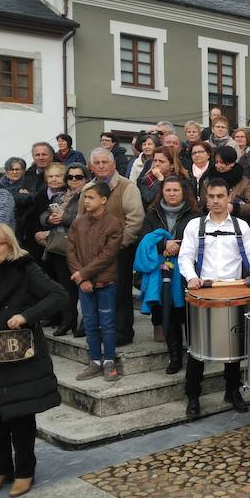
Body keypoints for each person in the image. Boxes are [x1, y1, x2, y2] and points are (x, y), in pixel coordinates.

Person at [0, 223, 67, 498]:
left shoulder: (25, 269)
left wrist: (27, 316)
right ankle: (0, 470)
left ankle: (24, 471)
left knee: (20, 418)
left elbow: (59, 295)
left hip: (17, 357)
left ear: (9, 245)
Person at [178, 178, 250, 417]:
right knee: (197, 349)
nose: (215, 201)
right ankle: (193, 396)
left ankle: (232, 390)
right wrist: (192, 277)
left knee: (232, 347)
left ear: (229, 197)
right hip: (203, 294)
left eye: (220, 196)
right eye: (211, 196)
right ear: (206, 198)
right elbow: (185, 257)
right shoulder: (195, 226)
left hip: (234, 292)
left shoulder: (241, 226)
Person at [137, 176, 200, 374]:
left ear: (183, 193)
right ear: (161, 192)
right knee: (168, 312)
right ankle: (175, 357)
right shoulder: (152, 213)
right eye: (168, 190)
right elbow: (143, 238)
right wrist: (163, 245)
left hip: (187, 270)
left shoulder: (195, 214)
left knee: (189, 314)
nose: (172, 194)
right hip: (161, 270)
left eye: (176, 190)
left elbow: (200, 240)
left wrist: (178, 247)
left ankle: (194, 356)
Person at [84, 148, 145, 347]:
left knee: (119, 293)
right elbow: (80, 220)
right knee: (96, 292)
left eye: (105, 162)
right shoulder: (87, 188)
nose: (101, 166)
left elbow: (135, 219)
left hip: (119, 251)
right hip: (93, 253)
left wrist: (117, 245)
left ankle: (123, 331)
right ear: (91, 166)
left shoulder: (127, 187)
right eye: (97, 163)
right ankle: (101, 329)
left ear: (113, 164)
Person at [68, 183, 124, 381]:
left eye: (91, 197)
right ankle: (95, 362)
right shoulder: (78, 222)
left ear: (104, 200)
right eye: (85, 197)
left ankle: (109, 361)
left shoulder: (114, 224)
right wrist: (80, 276)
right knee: (90, 324)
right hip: (84, 284)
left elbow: (107, 256)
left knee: (107, 324)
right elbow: (71, 250)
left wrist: (83, 274)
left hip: (105, 282)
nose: (87, 201)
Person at [39, 163, 88, 337]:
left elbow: (88, 220)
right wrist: (50, 219)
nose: (74, 180)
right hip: (58, 247)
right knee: (64, 287)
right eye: (70, 177)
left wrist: (64, 218)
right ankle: (68, 320)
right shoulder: (60, 195)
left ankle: (84, 323)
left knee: (81, 287)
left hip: (81, 248)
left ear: (86, 177)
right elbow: (43, 215)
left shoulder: (88, 195)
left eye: (78, 177)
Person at [199, 146, 250, 229]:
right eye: (216, 162)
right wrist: (207, 207)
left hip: (238, 225)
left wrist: (235, 208)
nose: (218, 165)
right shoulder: (208, 181)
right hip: (212, 224)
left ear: (232, 163)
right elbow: (201, 205)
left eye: (222, 163)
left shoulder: (243, 182)